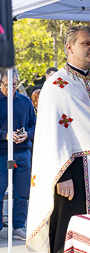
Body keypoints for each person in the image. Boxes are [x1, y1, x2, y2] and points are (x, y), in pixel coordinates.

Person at [26, 26, 90, 253]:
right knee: (69, 231)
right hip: (72, 170)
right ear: (69, 48)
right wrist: (62, 176)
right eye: (85, 43)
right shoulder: (56, 85)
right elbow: (50, 135)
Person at [0, 68, 36, 241]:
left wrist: (27, 134)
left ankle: (19, 226)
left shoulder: (25, 101)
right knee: (0, 192)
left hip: (22, 153)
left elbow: (34, 125)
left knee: (22, 193)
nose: (12, 88)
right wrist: (5, 135)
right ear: (1, 83)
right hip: (1, 154)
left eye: (15, 84)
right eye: (8, 85)